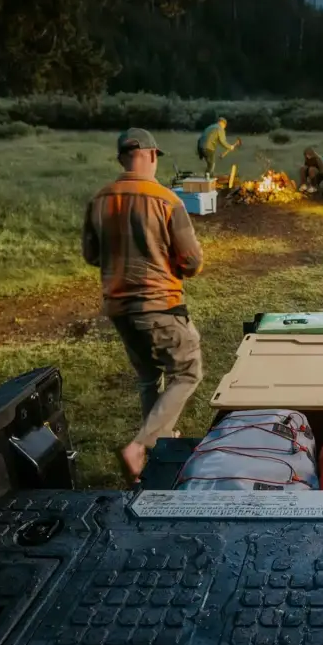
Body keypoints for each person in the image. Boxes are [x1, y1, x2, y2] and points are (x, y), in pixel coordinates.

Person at [82, 128, 204, 484]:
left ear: (122, 158)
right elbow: (192, 262)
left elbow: (91, 255)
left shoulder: (100, 199)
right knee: (188, 371)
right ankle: (142, 445)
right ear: (152, 155)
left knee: (149, 376)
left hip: (119, 308)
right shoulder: (167, 200)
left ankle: (157, 446)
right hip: (160, 306)